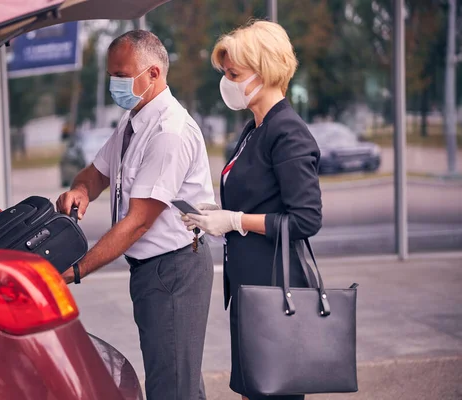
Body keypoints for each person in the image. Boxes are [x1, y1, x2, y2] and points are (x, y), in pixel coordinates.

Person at [56, 30, 215, 400]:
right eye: (111, 75)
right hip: (152, 271)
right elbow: (95, 172)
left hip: (175, 270)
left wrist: (76, 269)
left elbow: (139, 221)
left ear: (154, 74)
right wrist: (80, 191)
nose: (115, 84)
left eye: (122, 75)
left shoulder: (169, 133)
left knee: (171, 388)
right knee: (177, 379)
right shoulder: (133, 121)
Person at [181, 20, 323, 400]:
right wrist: (216, 214)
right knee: (254, 391)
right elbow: (256, 199)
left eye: (233, 74)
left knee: (272, 391)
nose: (226, 82)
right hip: (249, 288)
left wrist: (234, 221)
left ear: (264, 71)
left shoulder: (287, 132)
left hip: (275, 292)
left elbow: (306, 219)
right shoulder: (253, 129)